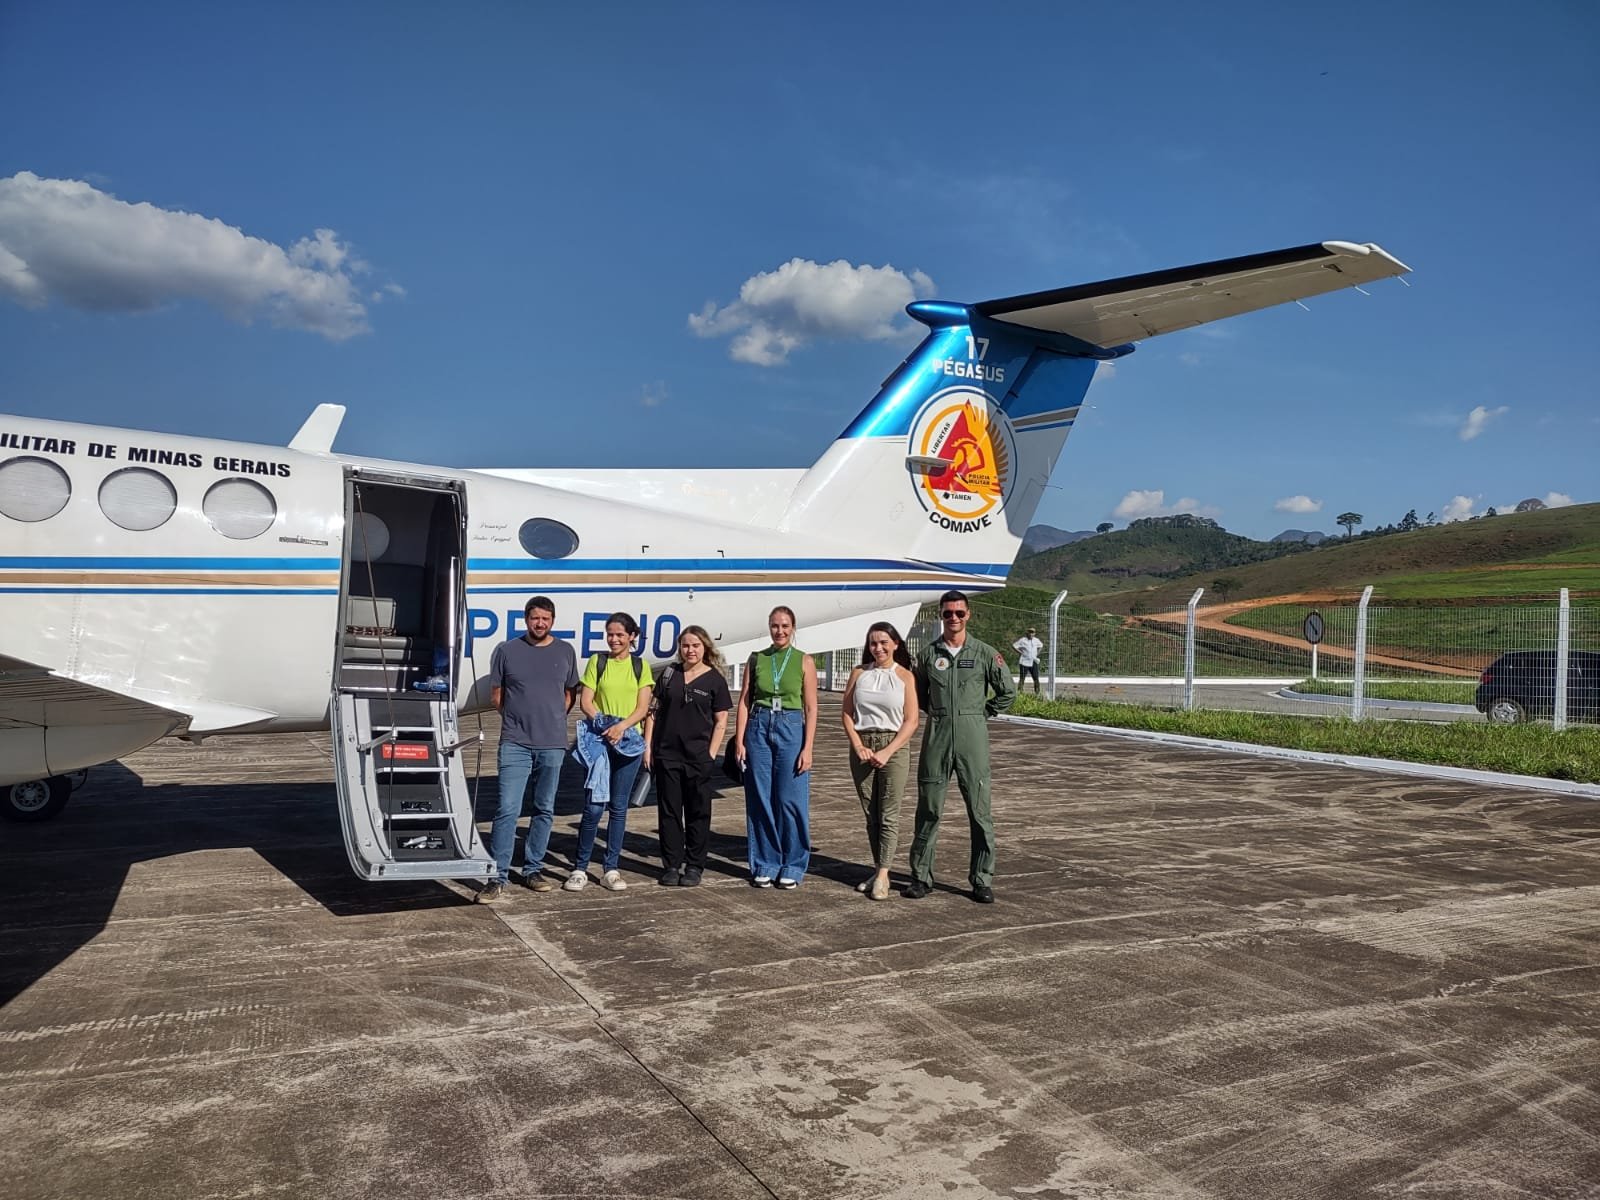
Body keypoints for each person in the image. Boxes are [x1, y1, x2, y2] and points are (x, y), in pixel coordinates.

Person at [906, 590, 1016, 904]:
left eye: (959, 613)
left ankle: (982, 879)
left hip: (973, 737)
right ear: (940, 616)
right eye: (947, 613)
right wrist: (942, 715)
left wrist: (983, 712)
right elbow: (920, 695)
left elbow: (1007, 691)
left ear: (968, 615)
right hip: (937, 735)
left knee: (980, 811)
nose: (953, 618)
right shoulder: (929, 655)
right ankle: (920, 876)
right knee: (929, 808)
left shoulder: (984, 653)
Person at [481, 595, 580, 903]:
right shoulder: (506, 651)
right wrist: (518, 720)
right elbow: (497, 695)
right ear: (526, 619)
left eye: (546, 619)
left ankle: (532, 869)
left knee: (544, 808)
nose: (541, 623)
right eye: (535, 618)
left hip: (552, 744)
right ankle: (497, 876)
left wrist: (550, 719)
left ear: (552, 620)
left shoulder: (565, 651)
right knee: (507, 808)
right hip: (515, 743)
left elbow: (569, 694)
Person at [565, 613, 654, 893]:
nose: (613, 639)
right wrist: (606, 725)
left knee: (618, 808)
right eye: (610, 634)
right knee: (593, 806)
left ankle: (610, 867)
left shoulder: (641, 666)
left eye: (619, 634)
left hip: (628, 743)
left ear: (631, 637)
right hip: (600, 741)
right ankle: (580, 867)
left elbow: (643, 708)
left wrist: (622, 727)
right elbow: (586, 701)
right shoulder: (597, 662)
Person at [735, 605, 818, 889]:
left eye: (784, 626)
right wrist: (740, 739)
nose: (779, 631)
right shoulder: (757, 659)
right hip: (759, 726)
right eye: (774, 626)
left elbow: (810, 707)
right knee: (760, 798)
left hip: (791, 726)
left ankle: (793, 864)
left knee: (789, 800)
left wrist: (808, 747)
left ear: (793, 628)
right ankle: (765, 862)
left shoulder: (803, 660)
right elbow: (745, 700)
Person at [642, 626, 731, 887]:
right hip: (667, 755)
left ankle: (694, 866)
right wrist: (648, 747)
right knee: (669, 813)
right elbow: (653, 712)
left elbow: (721, 720)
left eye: (695, 646)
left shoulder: (714, 679)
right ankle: (671, 864)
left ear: (705, 648)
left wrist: (711, 754)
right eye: (685, 646)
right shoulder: (670, 674)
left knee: (698, 813)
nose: (690, 650)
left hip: (698, 758)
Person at [840, 621, 919, 901]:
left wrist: (888, 751)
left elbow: (911, 721)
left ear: (896, 644)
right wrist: (858, 744)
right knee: (870, 814)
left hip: (893, 745)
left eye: (884, 642)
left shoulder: (905, 676)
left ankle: (884, 875)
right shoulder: (859, 673)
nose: (879, 648)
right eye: (873, 643)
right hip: (863, 745)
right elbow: (847, 713)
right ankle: (878, 869)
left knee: (888, 814)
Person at [1013, 627, 1044, 694]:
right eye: (1030, 632)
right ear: (1027, 633)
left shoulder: (1036, 640)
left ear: (1034, 633)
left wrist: (1037, 653)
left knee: (1036, 678)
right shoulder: (1023, 640)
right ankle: (1020, 692)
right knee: (1022, 678)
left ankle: (1037, 693)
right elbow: (1014, 646)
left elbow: (1041, 646)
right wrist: (1020, 652)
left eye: (1032, 632)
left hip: (1033, 661)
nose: (1031, 634)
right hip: (1024, 662)